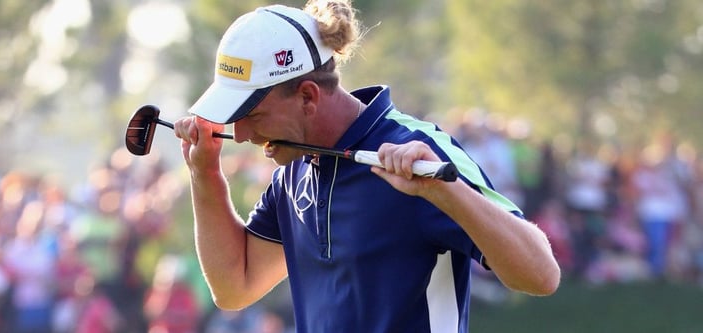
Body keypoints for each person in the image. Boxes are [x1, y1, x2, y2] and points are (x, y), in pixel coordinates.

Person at [170, 1, 560, 332]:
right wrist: (204, 175)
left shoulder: (420, 151)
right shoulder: (292, 175)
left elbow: (541, 274)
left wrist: (442, 191)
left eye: (252, 114)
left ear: (307, 96)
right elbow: (236, 286)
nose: (239, 134)